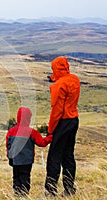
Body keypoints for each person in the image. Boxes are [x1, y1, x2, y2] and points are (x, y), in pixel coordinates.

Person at [45, 56, 80, 196]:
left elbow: (57, 111)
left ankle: (50, 191)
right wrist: (55, 77)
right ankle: (69, 189)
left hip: (62, 122)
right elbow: (64, 79)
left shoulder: (58, 86)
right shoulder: (74, 79)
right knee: (68, 156)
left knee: (54, 156)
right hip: (74, 120)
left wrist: (50, 130)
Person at [6, 107, 53, 197]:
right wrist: (50, 137)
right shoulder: (32, 132)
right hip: (27, 161)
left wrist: (9, 156)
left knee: (16, 177)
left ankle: (17, 194)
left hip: (15, 160)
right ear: (28, 118)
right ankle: (24, 195)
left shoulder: (11, 131)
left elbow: (8, 145)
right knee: (25, 177)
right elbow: (42, 143)